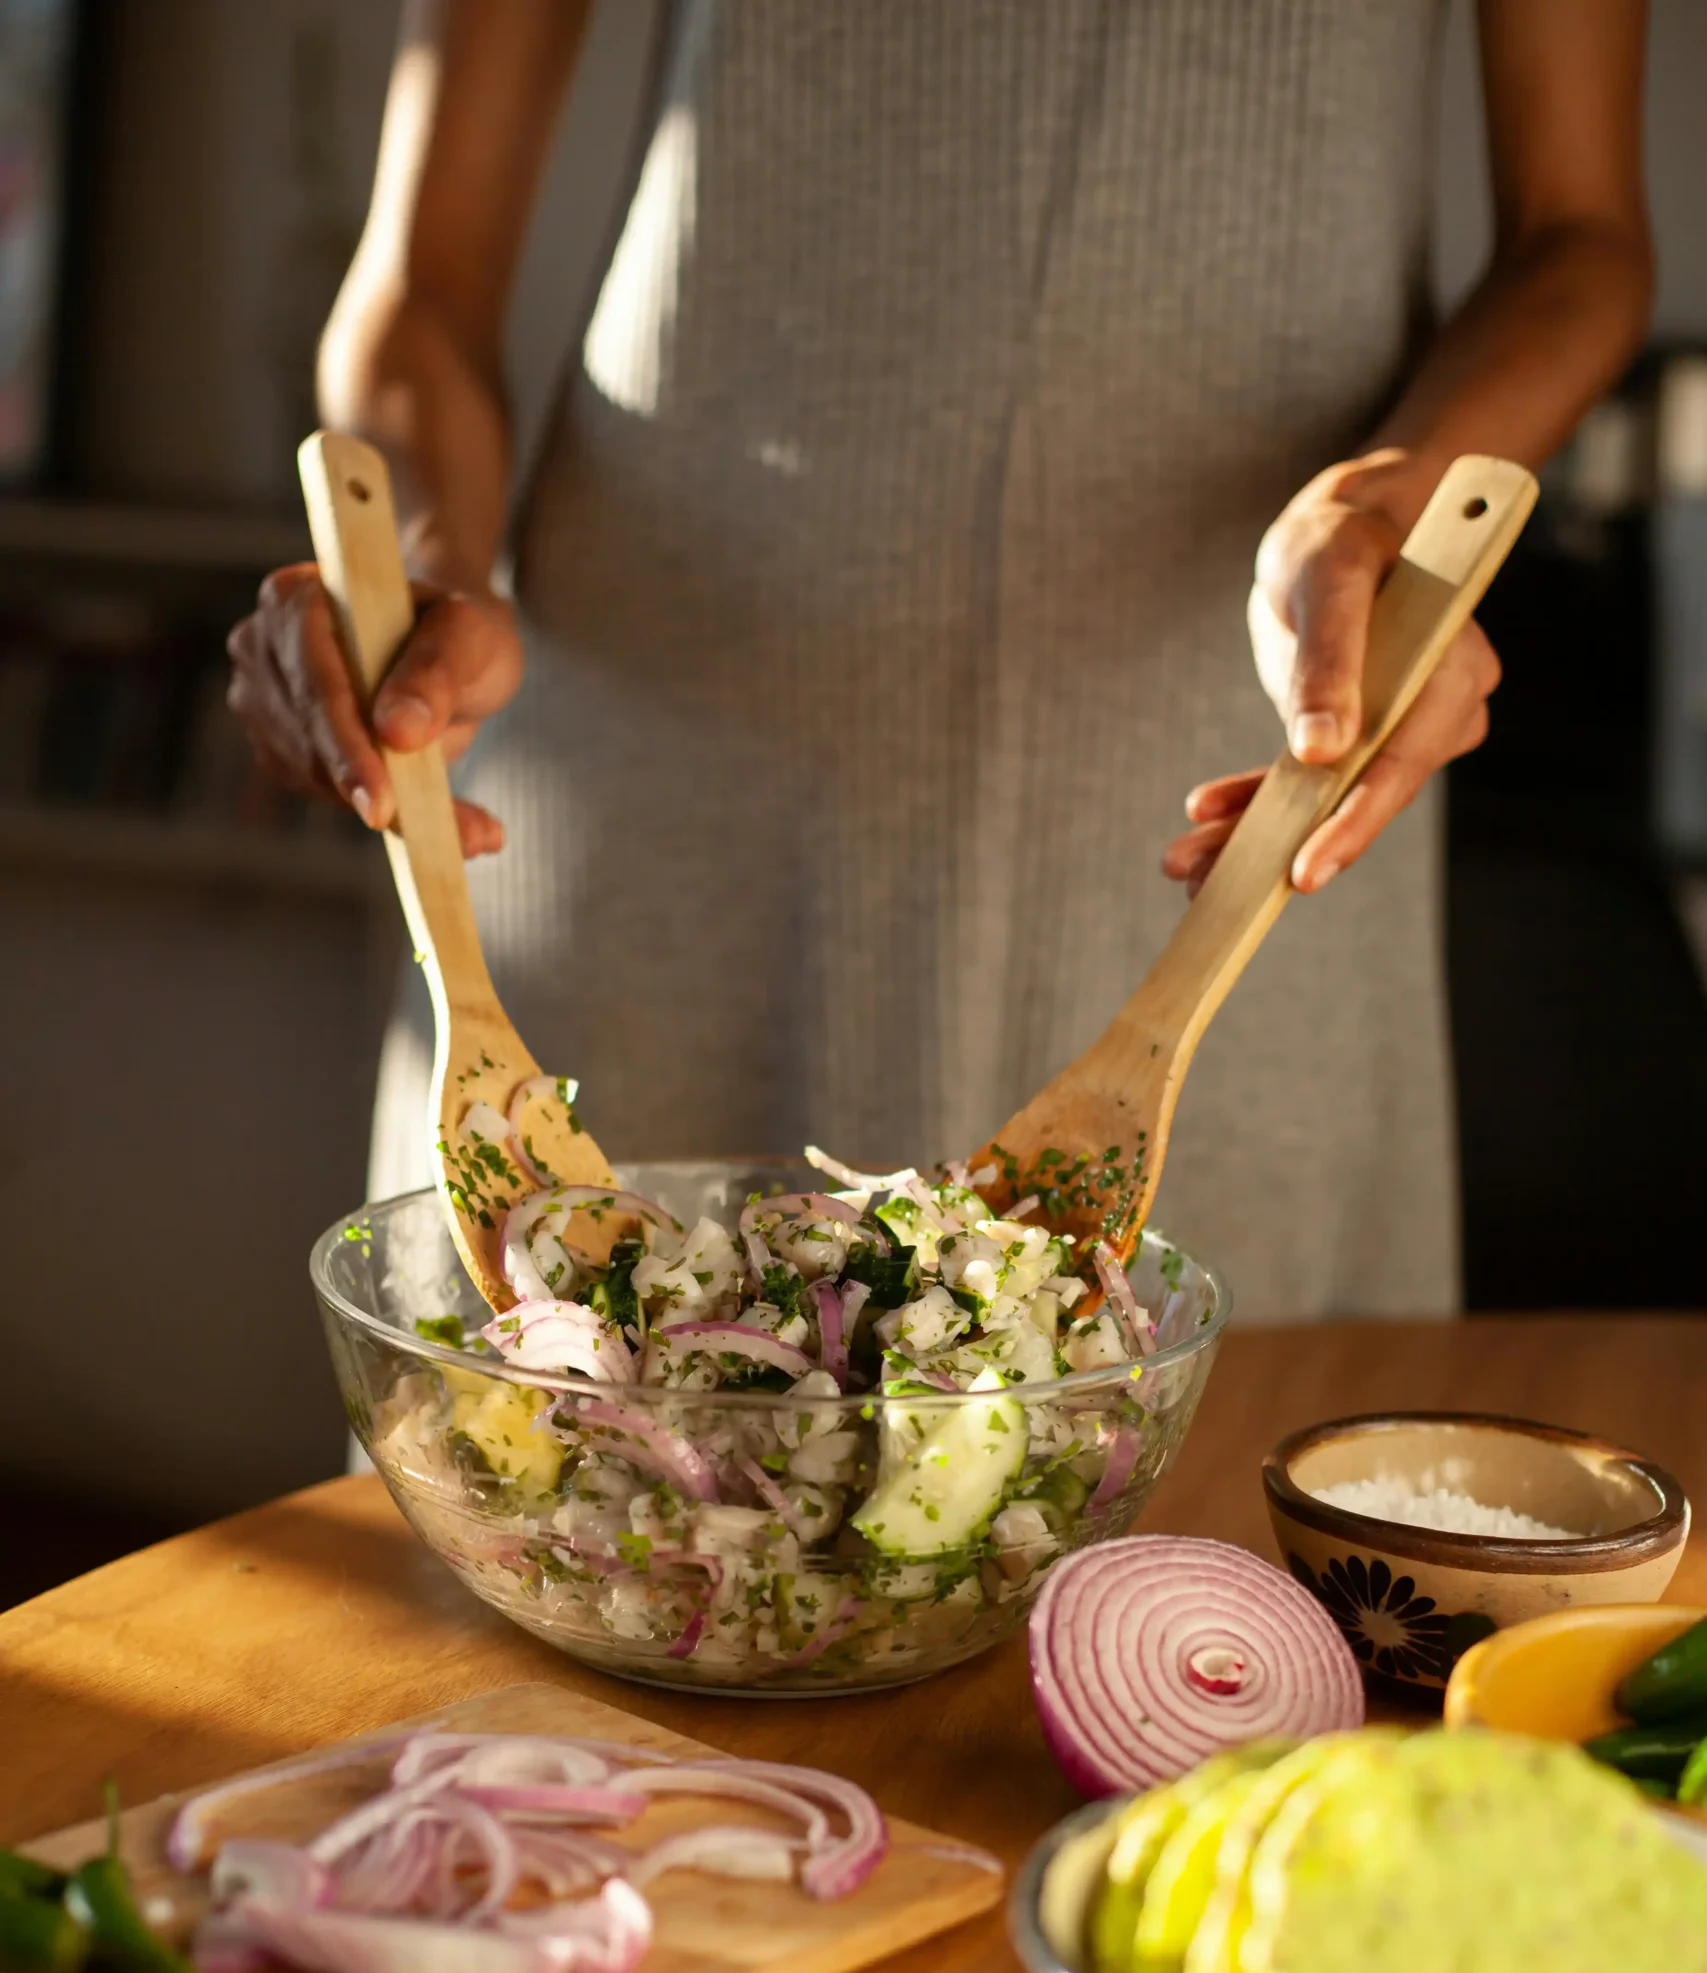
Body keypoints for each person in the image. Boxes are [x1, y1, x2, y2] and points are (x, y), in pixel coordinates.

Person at [229, 0, 1651, 1321]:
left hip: (1247, 754)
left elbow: (1577, 235)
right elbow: (423, 279)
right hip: (661, 748)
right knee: (551, 1485)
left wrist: (1387, 508)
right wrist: (421, 570)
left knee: (1192, 1531)